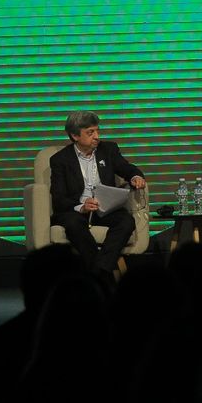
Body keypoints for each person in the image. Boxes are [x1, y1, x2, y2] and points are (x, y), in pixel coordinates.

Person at [49, 110, 146, 286]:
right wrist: (82, 206)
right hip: (77, 210)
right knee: (73, 224)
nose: (96, 136)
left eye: (97, 131)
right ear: (74, 135)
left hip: (104, 209)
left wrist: (135, 177)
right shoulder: (60, 160)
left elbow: (126, 167)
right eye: (90, 132)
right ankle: (104, 276)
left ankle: (99, 272)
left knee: (125, 221)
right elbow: (59, 198)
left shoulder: (108, 150)